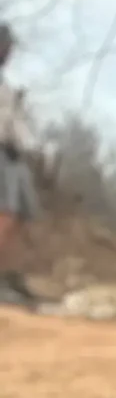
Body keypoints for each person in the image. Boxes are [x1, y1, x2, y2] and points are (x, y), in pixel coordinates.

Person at [0, 24, 42, 310]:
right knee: (6, 214)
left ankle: (10, 274)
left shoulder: (6, 85)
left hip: (14, 153)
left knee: (23, 214)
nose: (9, 51)